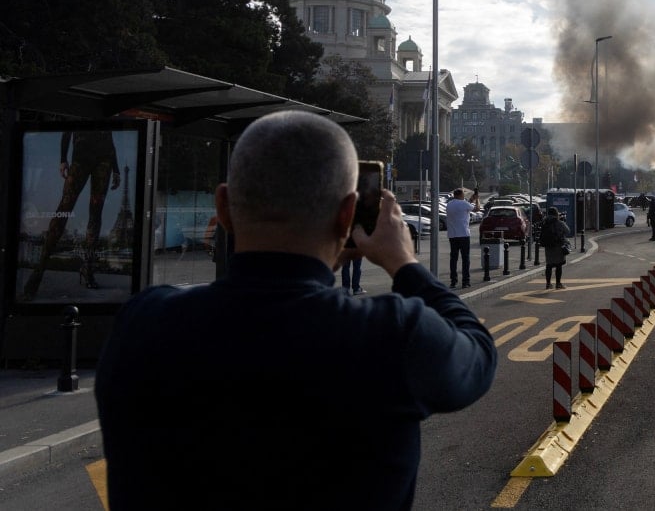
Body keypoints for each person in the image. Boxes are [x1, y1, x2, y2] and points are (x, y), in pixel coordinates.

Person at [95, 111, 497, 511]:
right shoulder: (390, 334)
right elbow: (477, 355)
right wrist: (405, 265)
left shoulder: (144, 325)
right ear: (346, 216)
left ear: (224, 207)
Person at [23, 130, 120, 297]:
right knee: (65, 210)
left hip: (102, 157)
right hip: (83, 156)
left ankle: (86, 269)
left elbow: (108, 136)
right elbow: (70, 127)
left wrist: (116, 168)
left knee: (93, 214)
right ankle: (40, 270)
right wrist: (63, 158)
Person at [445, 187, 480, 288]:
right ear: (461, 195)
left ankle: (453, 281)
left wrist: (471, 200)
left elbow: (464, 206)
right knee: (465, 259)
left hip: (452, 235)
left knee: (453, 259)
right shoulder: (463, 204)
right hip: (463, 234)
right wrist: (477, 199)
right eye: (463, 195)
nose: (464, 196)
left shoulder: (449, 204)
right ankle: (465, 281)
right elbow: (477, 208)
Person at [540, 207, 570, 289]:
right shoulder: (559, 222)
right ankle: (558, 283)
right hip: (558, 246)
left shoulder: (545, 222)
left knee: (549, 265)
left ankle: (548, 284)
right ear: (556, 214)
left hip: (548, 247)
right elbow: (568, 231)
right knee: (559, 265)